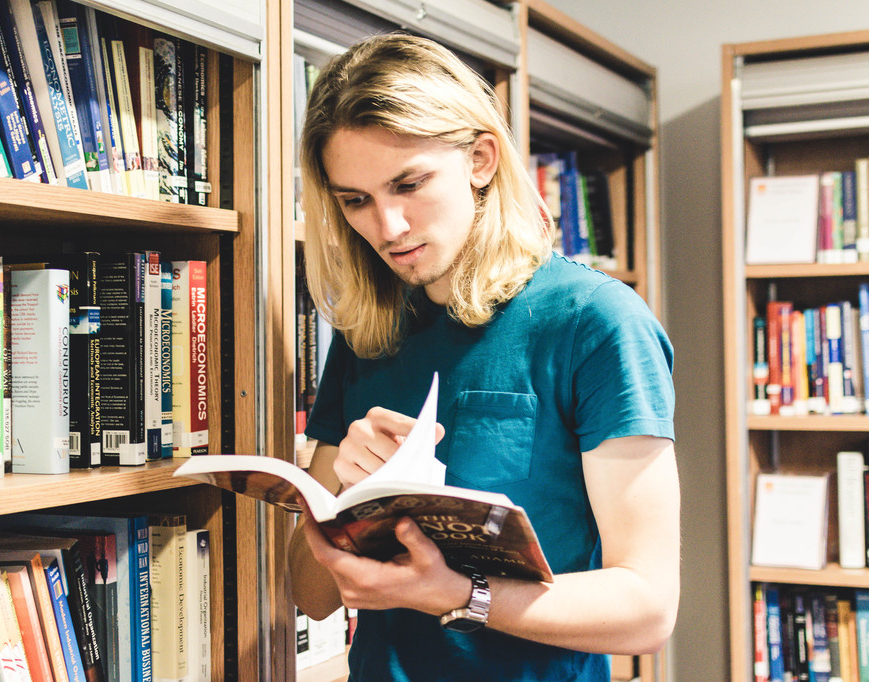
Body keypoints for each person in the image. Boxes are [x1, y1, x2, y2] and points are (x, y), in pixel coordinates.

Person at [288, 32, 679, 681]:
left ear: (479, 158)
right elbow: (311, 595)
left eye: (407, 184)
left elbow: (646, 608)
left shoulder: (593, 322)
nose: (387, 227)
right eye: (354, 200)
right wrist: (340, 491)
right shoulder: (368, 332)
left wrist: (456, 595)